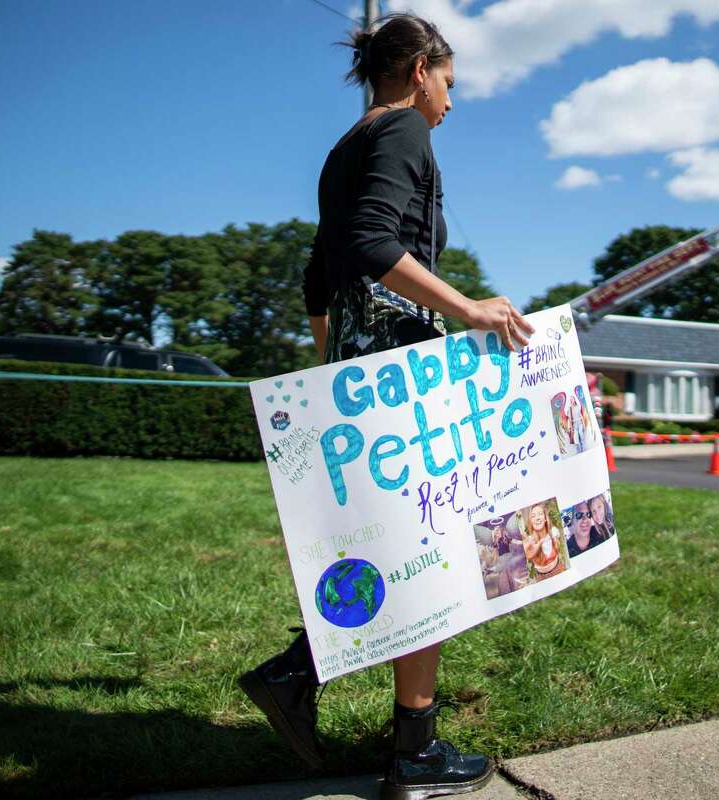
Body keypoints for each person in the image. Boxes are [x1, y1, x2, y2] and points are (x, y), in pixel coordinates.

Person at [237, 14, 533, 799]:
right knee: (433, 541)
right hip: (399, 358)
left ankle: (345, 701)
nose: (451, 102)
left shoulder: (346, 146)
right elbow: (372, 243)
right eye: (450, 83)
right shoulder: (404, 130)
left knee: (395, 538)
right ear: (418, 69)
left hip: (357, 358)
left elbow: (319, 273)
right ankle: (400, 744)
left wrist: (334, 365)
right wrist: (468, 308)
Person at [522, 502, 566, 579]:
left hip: (559, 569)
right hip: (541, 577)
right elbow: (528, 555)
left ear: (545, 518)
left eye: (540, 514)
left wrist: (556, 543)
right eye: (533, 516)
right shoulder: (530, 541)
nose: (537, 518)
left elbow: (559, 549)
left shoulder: (553, 532)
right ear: (531, 521)